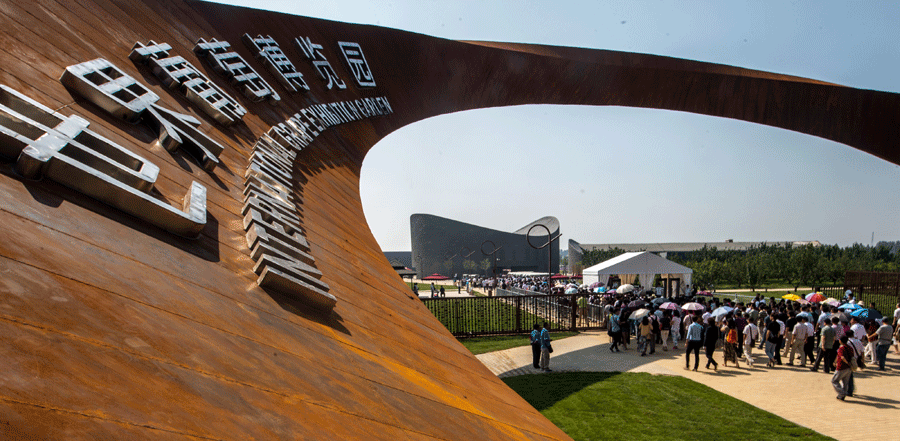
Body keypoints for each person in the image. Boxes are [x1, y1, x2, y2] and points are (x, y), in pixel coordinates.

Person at [832, 336, 853, 400]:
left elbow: (842, 357)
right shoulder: (850, 348)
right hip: (849, 368)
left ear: (840, 341)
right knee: (845, 382)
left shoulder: (841, 348)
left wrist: (846, 362)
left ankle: (842, 393)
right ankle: (841, 396)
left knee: (834, 380)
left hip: (841, 367)